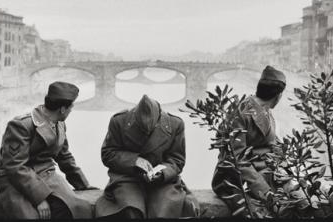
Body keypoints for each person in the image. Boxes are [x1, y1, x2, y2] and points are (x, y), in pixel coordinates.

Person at [0, 81, 97, 219]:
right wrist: (39, 198)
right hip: (14, 179)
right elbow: (15, 166)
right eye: (71, 107)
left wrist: (83, 185)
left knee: (77, 209)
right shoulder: (21, 125)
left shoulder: (59, 124)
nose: (71, 110)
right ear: (62, 109)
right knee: (30, 217)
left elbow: (64, 156)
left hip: (45, 174)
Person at [95, 95, 200, 219]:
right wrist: (134, 161)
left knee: (163, 212)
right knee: (132, 211)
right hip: (128, 178)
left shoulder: (175, 124)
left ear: (158, 121)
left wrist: (162, 173)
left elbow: (177, 160)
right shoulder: (119, 121)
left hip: (163, 182)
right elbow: (108, 154)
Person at [211, 65, 290, 216]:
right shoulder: (240, 111)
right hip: (234, 179)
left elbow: (273, 144)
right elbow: (237, 159)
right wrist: (266, 192)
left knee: (294, 203)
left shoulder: (265, 111)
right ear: (278, 96)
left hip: (262, 173)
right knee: (253, 214)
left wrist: (286, 174)